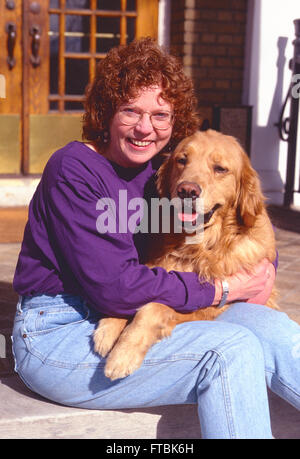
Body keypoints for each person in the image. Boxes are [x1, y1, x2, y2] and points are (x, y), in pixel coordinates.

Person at [12, 37, 300, 439]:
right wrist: (221, 289)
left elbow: (239, 220)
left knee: (277, 332)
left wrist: (262, 267)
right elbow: (116, 287)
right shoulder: (74, 171)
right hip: (61, 334)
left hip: (130, 311)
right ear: (106, 111)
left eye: (161, 115)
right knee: (230, 349)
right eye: (131, 110)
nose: (146, 128)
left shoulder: (159, 176)